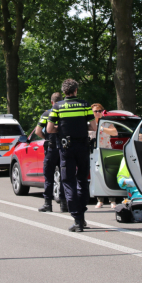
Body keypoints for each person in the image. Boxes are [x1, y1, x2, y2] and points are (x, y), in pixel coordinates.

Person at [47, 79, 96, 232]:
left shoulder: (57, 106)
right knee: (82, 179)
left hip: (66, 147)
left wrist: (61, 128)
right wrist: (81, 126)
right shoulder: (84, 105)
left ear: (64, 92)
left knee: (68, 182)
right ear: (76, 91)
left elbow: (49, 129)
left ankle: (77, 219)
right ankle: (81, 216)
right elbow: (93, 126)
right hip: (82, 146)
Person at [37, 92, 65, 213]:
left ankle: (48, 203)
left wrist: (46, 138)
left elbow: (38, 131)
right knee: (64, 176)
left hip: (51, 148)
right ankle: (64, 204)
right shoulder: (64, 113)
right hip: (64, 148)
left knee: (49, 177)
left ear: (51, 102)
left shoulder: (47, 113)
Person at [90, 103, 120, 209]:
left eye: (99, 111)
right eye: (95, 111)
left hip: (106, 151)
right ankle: (100, 200)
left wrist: (102, 129)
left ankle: (112, 201)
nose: (97, 113)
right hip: (95, 153)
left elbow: (115, 132)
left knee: (109, 175)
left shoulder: (106, 123)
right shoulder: (90, 123)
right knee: (97, 176)